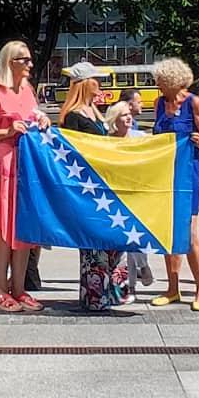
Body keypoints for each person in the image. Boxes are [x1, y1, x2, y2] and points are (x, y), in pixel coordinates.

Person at [0, 41, 50, 313]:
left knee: (23, 227)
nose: (29, 64)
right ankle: (1, 289)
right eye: (23, 60)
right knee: (2, 228)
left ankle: (19, 288)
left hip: (25, 167)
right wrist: (6, 132)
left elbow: (32, 117)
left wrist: (42, 121)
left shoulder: (27, 90)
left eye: (29, 59)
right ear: (10, 62)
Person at [61, 63, 129, 311]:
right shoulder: (73, 116)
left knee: (112, 238)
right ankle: (94, 295)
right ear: (84, 83)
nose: (100, 85)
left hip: (105, 184)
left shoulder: (96, 113)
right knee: (92, 242)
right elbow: (71, 154)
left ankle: (113, 291)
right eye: (96, 80)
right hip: (87, 186)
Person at [150, 57, 199, 311]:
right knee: (168, 231)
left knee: (188, 232)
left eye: (159, 80)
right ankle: (172, 287)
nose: (156, 84)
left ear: (171, 81)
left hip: (188, 174)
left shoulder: (193, 103)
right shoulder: (158, 103)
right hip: (164, 175)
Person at [107, 98, 148, 302]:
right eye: (124, 115)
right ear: (115, 120)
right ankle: (125, 288)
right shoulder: (106, 141)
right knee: (121, 247)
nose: (129, 117)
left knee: (135, 240)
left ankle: (141, 269)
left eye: (129, 114)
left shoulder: (140, 137)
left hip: (136, 194)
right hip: (115, 196)